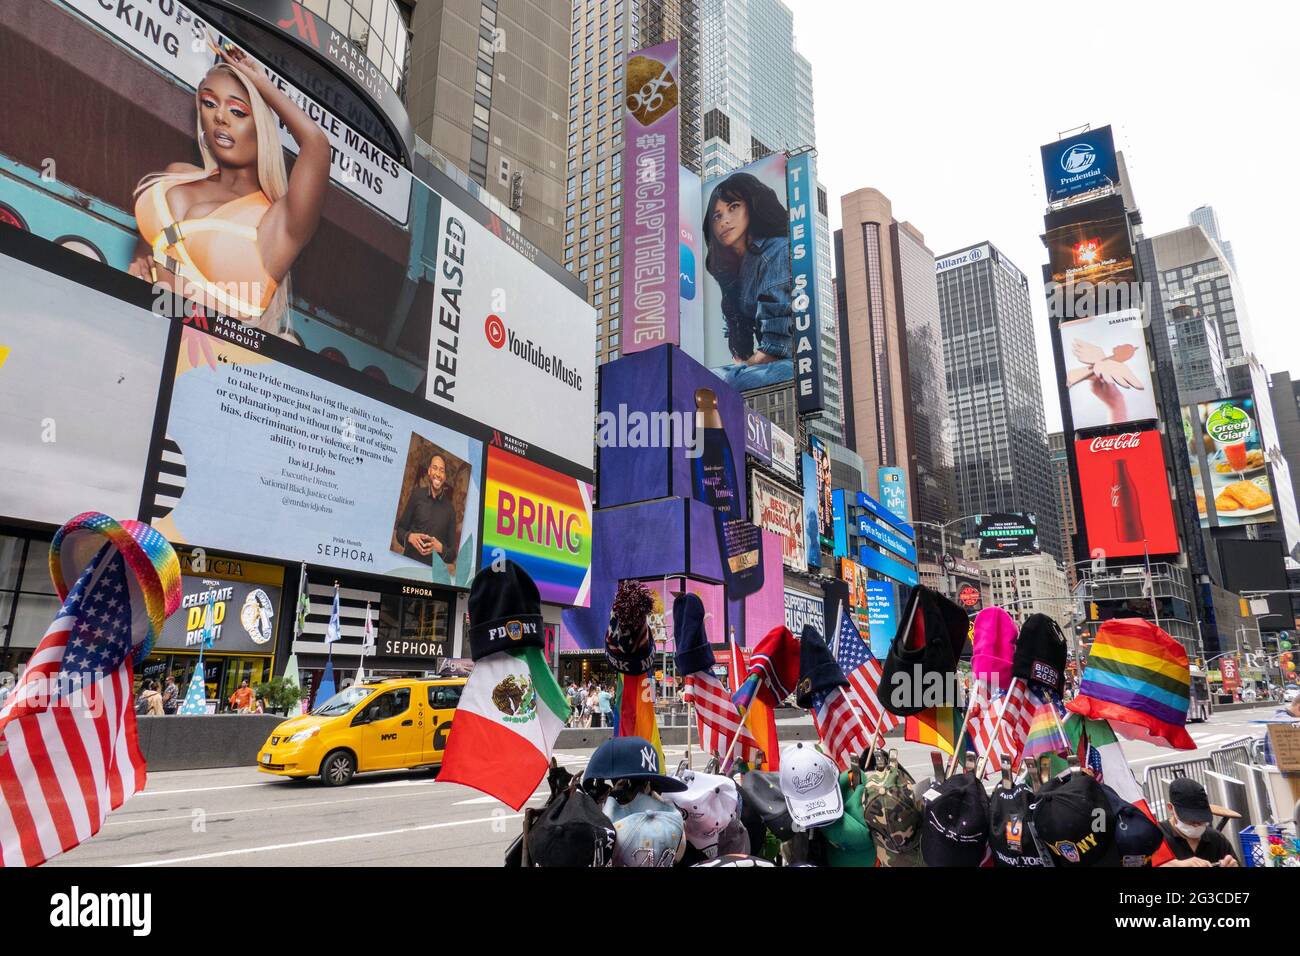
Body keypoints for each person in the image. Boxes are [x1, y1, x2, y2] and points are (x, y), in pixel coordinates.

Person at [129, 41, 329, 335]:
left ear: (260, 125)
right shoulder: (177, 176)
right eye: (209, 104)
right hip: (137, 336)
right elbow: (144, 256)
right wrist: (137, 270)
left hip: (203, 364)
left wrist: (263, 85)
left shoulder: (276, 224)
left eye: (237, 110)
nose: (220, 117)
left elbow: (317, 145)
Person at [703, 172, 793, 390]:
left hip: (789, 364)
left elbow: (776, 348)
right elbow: (738, 343)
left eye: (733, 207)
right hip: (764, 367)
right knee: (703, 379)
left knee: (714, 383)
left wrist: (740, 370)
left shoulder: (776, 251)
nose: (724, 220)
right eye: (717, 216)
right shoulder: (734, 270)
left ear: (751, 207)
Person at [395, 453, 460, 567]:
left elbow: (452, 554)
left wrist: (440, 548)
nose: (438, 474)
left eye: (442, 470)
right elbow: (400, 530)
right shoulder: (416, 495)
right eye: (435, 468)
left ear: (444, 476)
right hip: (407, 566)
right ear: (429, 471)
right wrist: (410, 537)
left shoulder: (450, 510)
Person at [1158, 778, 1239, 867]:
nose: (1196, 825)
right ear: (1170, 808)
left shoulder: (1217, 839)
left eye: (1201, 819)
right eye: (1189, 819)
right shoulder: (1155, 838)